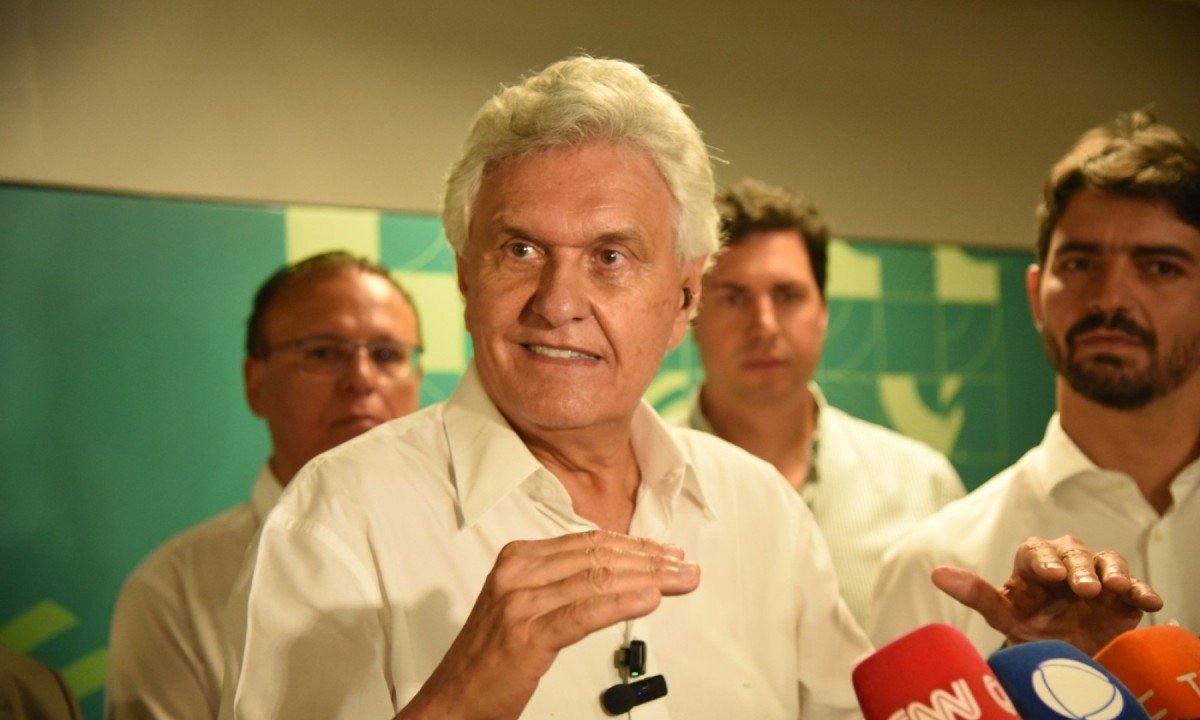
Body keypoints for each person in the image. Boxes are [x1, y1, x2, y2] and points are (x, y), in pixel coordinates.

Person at [219, 58, 1164, 720]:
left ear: (682, 297)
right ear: (466, 278)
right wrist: (460, 701)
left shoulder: (758, 510)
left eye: (610, 257)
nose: (559, 302)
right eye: (520, 250)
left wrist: (1038, 681)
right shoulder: (340, 518)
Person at [867, 110, 1200, 655]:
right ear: (1035, 294)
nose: (1110, 298)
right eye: (1079, 263)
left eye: (1160, 267)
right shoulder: (939, 567)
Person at [105, 251, 423, 720]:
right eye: (324, 353)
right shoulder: (172, 593)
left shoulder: (473, 552)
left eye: (386, 355)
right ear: (256, 382)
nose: (361, 379)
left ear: (417, 380)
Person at [679, 177, 963, 624]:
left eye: (787, 295)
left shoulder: (922, 486)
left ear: (824, 312)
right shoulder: (637, 478)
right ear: (690, 313)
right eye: (733, 297)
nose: (764, 325)